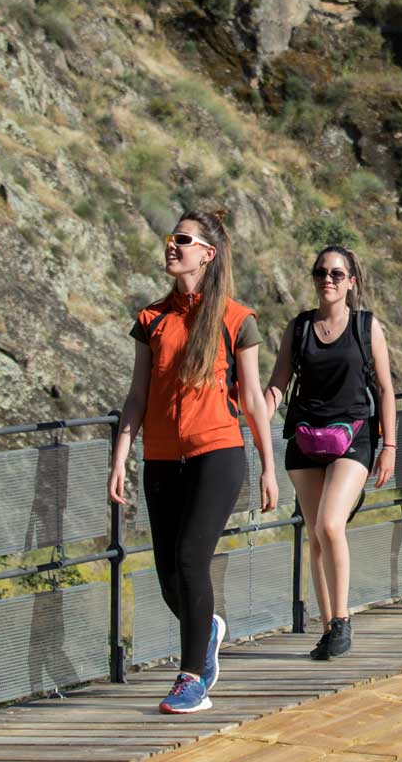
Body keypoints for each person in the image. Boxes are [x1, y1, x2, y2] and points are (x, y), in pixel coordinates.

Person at [108, 209, 278, 714]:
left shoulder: (235, 318)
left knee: (189, 558)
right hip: (160, 459)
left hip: (218, 453)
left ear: (207, 253)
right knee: (167, 576)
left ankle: (192, 678)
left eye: (183, 239)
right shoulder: (150, 319)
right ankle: (207, 632)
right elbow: (137, 395)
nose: (171, 245)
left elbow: (251, 397)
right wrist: (121, 458)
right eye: (170, 238)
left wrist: (268, 465)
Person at [263, 246, 398, 660]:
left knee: (329, 524)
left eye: (337, 274)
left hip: (354, 436)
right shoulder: (299, 328)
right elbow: (277, 385)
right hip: (305, 439)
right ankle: (327, 628)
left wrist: (389, 446)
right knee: (316, 536)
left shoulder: (366, 327)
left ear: (351, 281)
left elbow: (385, 389)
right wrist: (250, 419)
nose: (328, 279)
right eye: (321, 272)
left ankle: (342, 620)